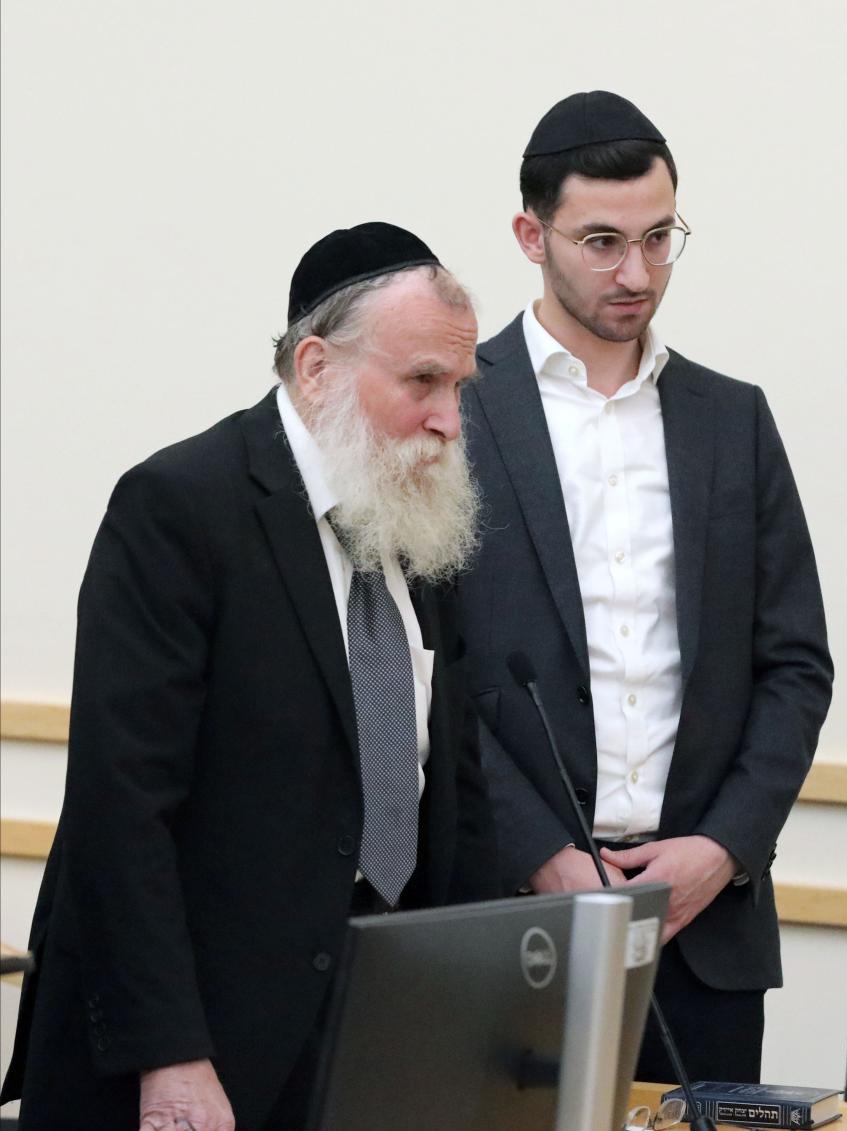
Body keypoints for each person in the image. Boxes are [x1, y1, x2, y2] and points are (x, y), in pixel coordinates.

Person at [1, 222, 498, 1130]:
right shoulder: (181, 507)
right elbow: (122, 809)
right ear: (317, 368)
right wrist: (171, 1056)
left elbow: (443, 783)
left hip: (370, 1037)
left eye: (458, 386)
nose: (449, 419)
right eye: (422, 381)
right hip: (198, 1050)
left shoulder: (416, 524)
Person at [458, 92, 833, 1083]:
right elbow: (422, 674)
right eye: (602, 241)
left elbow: (794, 663)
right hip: (508, 919)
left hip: (704, 926)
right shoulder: (455, 409)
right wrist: (540, 852)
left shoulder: (733, 420)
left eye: (660, 237)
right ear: (529, 235)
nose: (637, 274)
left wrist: (724, 848)